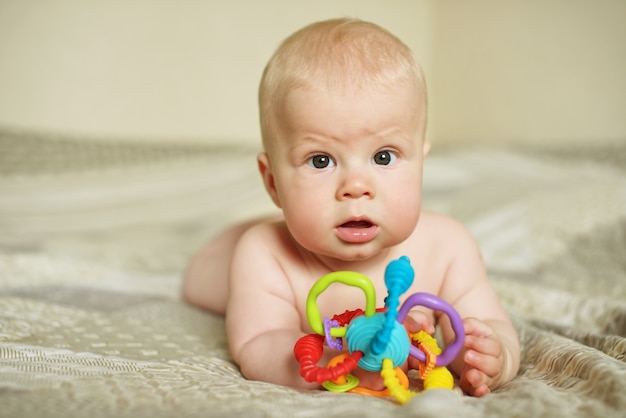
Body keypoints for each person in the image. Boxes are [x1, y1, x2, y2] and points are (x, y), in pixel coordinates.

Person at [182, 18, 520, 398]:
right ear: (273, 182)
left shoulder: (447, 247)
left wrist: (492, 356)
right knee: (201, 279)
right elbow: (259, 343)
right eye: (321, 161)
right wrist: (342, 364)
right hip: (225, 259)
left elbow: (486, 323)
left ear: (421, 166)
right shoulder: (264, 254)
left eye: (384, 156)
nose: (356, 188)